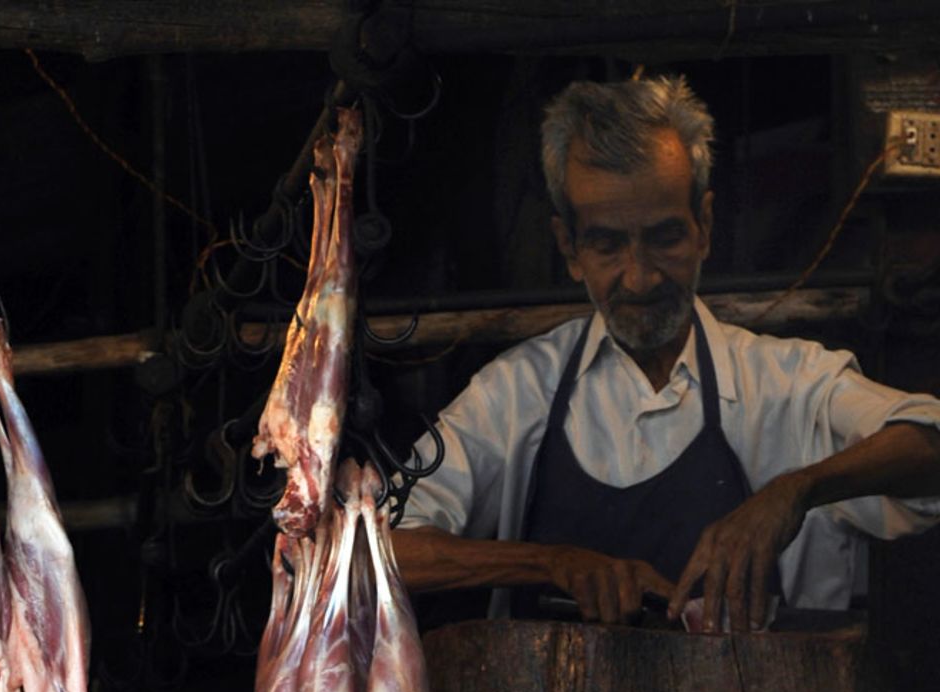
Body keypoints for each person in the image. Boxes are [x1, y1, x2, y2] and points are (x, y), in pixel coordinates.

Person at [391, 74, 940, 633]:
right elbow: (379, 550)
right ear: (570, 248)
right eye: (607, 244)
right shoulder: (515, 394)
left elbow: (931, 441)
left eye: (665, 237)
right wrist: (551, 563)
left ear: (704, 227)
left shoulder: (788, 384)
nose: (641, 277)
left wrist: (796, 490)